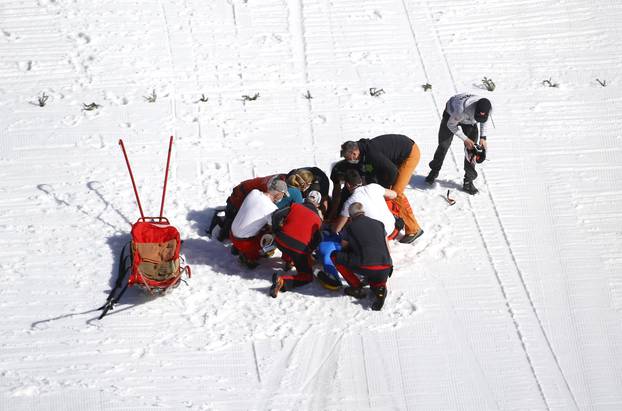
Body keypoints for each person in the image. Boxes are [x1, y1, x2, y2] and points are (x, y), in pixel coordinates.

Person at [339, 134, 423, 243]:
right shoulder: (361, 149)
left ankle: (414, 229)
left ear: (354, 153)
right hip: (397, 154)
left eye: (348, 158)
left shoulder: (372, 154)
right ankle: (395, 214)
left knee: (396, 193)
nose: (348, 160)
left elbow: (392, 172)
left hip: (410, 153)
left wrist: (384, 189)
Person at [425, 93, 492, 195]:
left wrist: (483, 137)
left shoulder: (488, 108)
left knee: (472, 151)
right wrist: (465, 139)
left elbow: (484, 120)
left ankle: (468, 181)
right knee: (443, 145)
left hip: (469, 121)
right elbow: (451, 125)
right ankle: (434, 170)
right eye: (478, 117)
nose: (480, 120)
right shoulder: (461, 110)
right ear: (475, 110)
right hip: (451, 114)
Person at [331, 202, 393, 311]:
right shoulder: (379, 223)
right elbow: (387, 246)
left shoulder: (350, 227)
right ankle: (380, 287)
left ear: (350, 216)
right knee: (376, 273)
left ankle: (356, 288)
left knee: (336, 256)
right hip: (386, 266)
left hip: (368, 266)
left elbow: (344, 247)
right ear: (363, 211)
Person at [269, 190, 323, 298]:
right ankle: (284, 282)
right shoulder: (319, 220)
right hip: (298, 249)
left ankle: (288, 261)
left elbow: (276, 215)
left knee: (289, 244)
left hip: (280, 241)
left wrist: (276, 230)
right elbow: (318, 239)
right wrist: (308, 251)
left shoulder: (295, 206)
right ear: (317, 204)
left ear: (306, 199)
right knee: (307, 276)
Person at [229, 179, 289, 268]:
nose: (282, 197)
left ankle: (237, 248)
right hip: (244, 243)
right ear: (278, 194)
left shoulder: (254, 192)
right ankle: (250, 257)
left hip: (231, 233)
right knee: (272, 236)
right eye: (283, 195)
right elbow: (273, 229)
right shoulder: (272, 209)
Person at [331, 169, 402, 240]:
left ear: (348, 185)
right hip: (392, 226)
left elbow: (337, 228)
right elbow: (394, 195)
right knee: (387, 201)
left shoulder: (350, 202)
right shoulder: (374, 186)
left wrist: (331, 227)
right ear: (361, 180)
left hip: (379, 236)